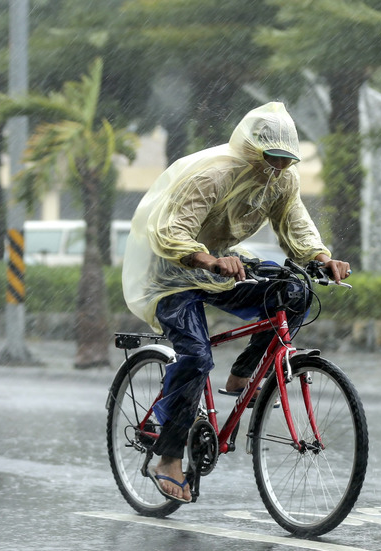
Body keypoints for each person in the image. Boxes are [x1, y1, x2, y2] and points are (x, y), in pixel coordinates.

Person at [121, 101, 351, 503]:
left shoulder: (282, 180)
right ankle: (169, 458)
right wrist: (208, 258)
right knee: (195, 357)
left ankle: (243, 373)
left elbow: (296, 223)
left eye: (285, 160)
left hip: (218, 267)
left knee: (293, 292)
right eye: (271, 158)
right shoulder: (213, 175)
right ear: (250, 150)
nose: (277, 167)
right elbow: (171, 231)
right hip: (167, 274)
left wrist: (320, 258)